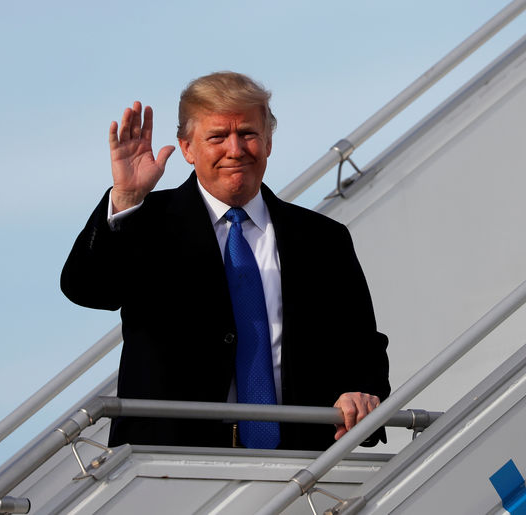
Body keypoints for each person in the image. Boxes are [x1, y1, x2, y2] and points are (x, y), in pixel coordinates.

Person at [61, 71, 390, 450]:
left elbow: (363, 347)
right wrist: (125, 199)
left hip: (301, 461)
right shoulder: (146, 222)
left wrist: (360, 394)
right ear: (187, 149)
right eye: (217, 137)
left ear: (268, 142)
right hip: (168, 464)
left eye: (248, 133)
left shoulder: (322, 238)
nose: (235, 149)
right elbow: (87, 289)